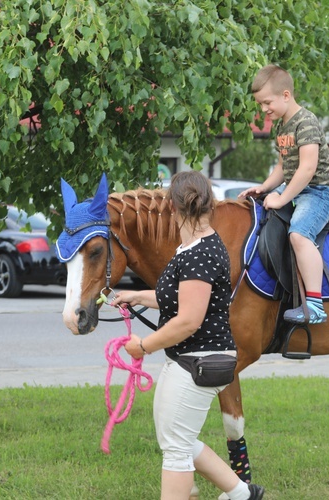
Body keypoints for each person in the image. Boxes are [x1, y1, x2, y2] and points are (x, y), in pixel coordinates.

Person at [110, 171, 265, 500]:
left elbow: (189, 320)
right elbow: (182, 297)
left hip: (197, 361)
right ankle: (242, 494)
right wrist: (137, 296)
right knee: (178, 440)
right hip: (189, 359)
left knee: (177, 451)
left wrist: (144, 346)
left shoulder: (198, 253)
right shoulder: (196, 246)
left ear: (171, 207)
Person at [239, 64, 329, 324]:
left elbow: (307, 168)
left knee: (299, 234)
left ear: (285, 95)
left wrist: (283, 198)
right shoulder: (282, 126)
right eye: (260, 104)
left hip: (320, 191)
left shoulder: (306, 122)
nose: (264, 109)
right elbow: (283, 166)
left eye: (267, 103)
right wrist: (265, 187)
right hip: (297, 187)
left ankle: (315, 306)